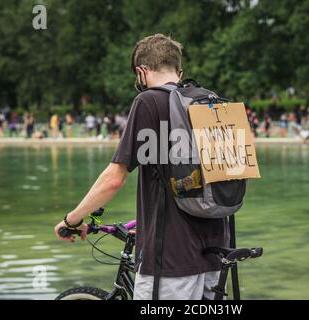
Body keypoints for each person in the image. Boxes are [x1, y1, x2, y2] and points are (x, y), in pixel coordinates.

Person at [54, 34, 228, 300]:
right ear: (179, 72)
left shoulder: (148, 102)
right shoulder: (208, 101)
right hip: (216, 252)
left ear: (141, 72)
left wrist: (72, 219)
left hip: (169, 259)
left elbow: (114, 177)